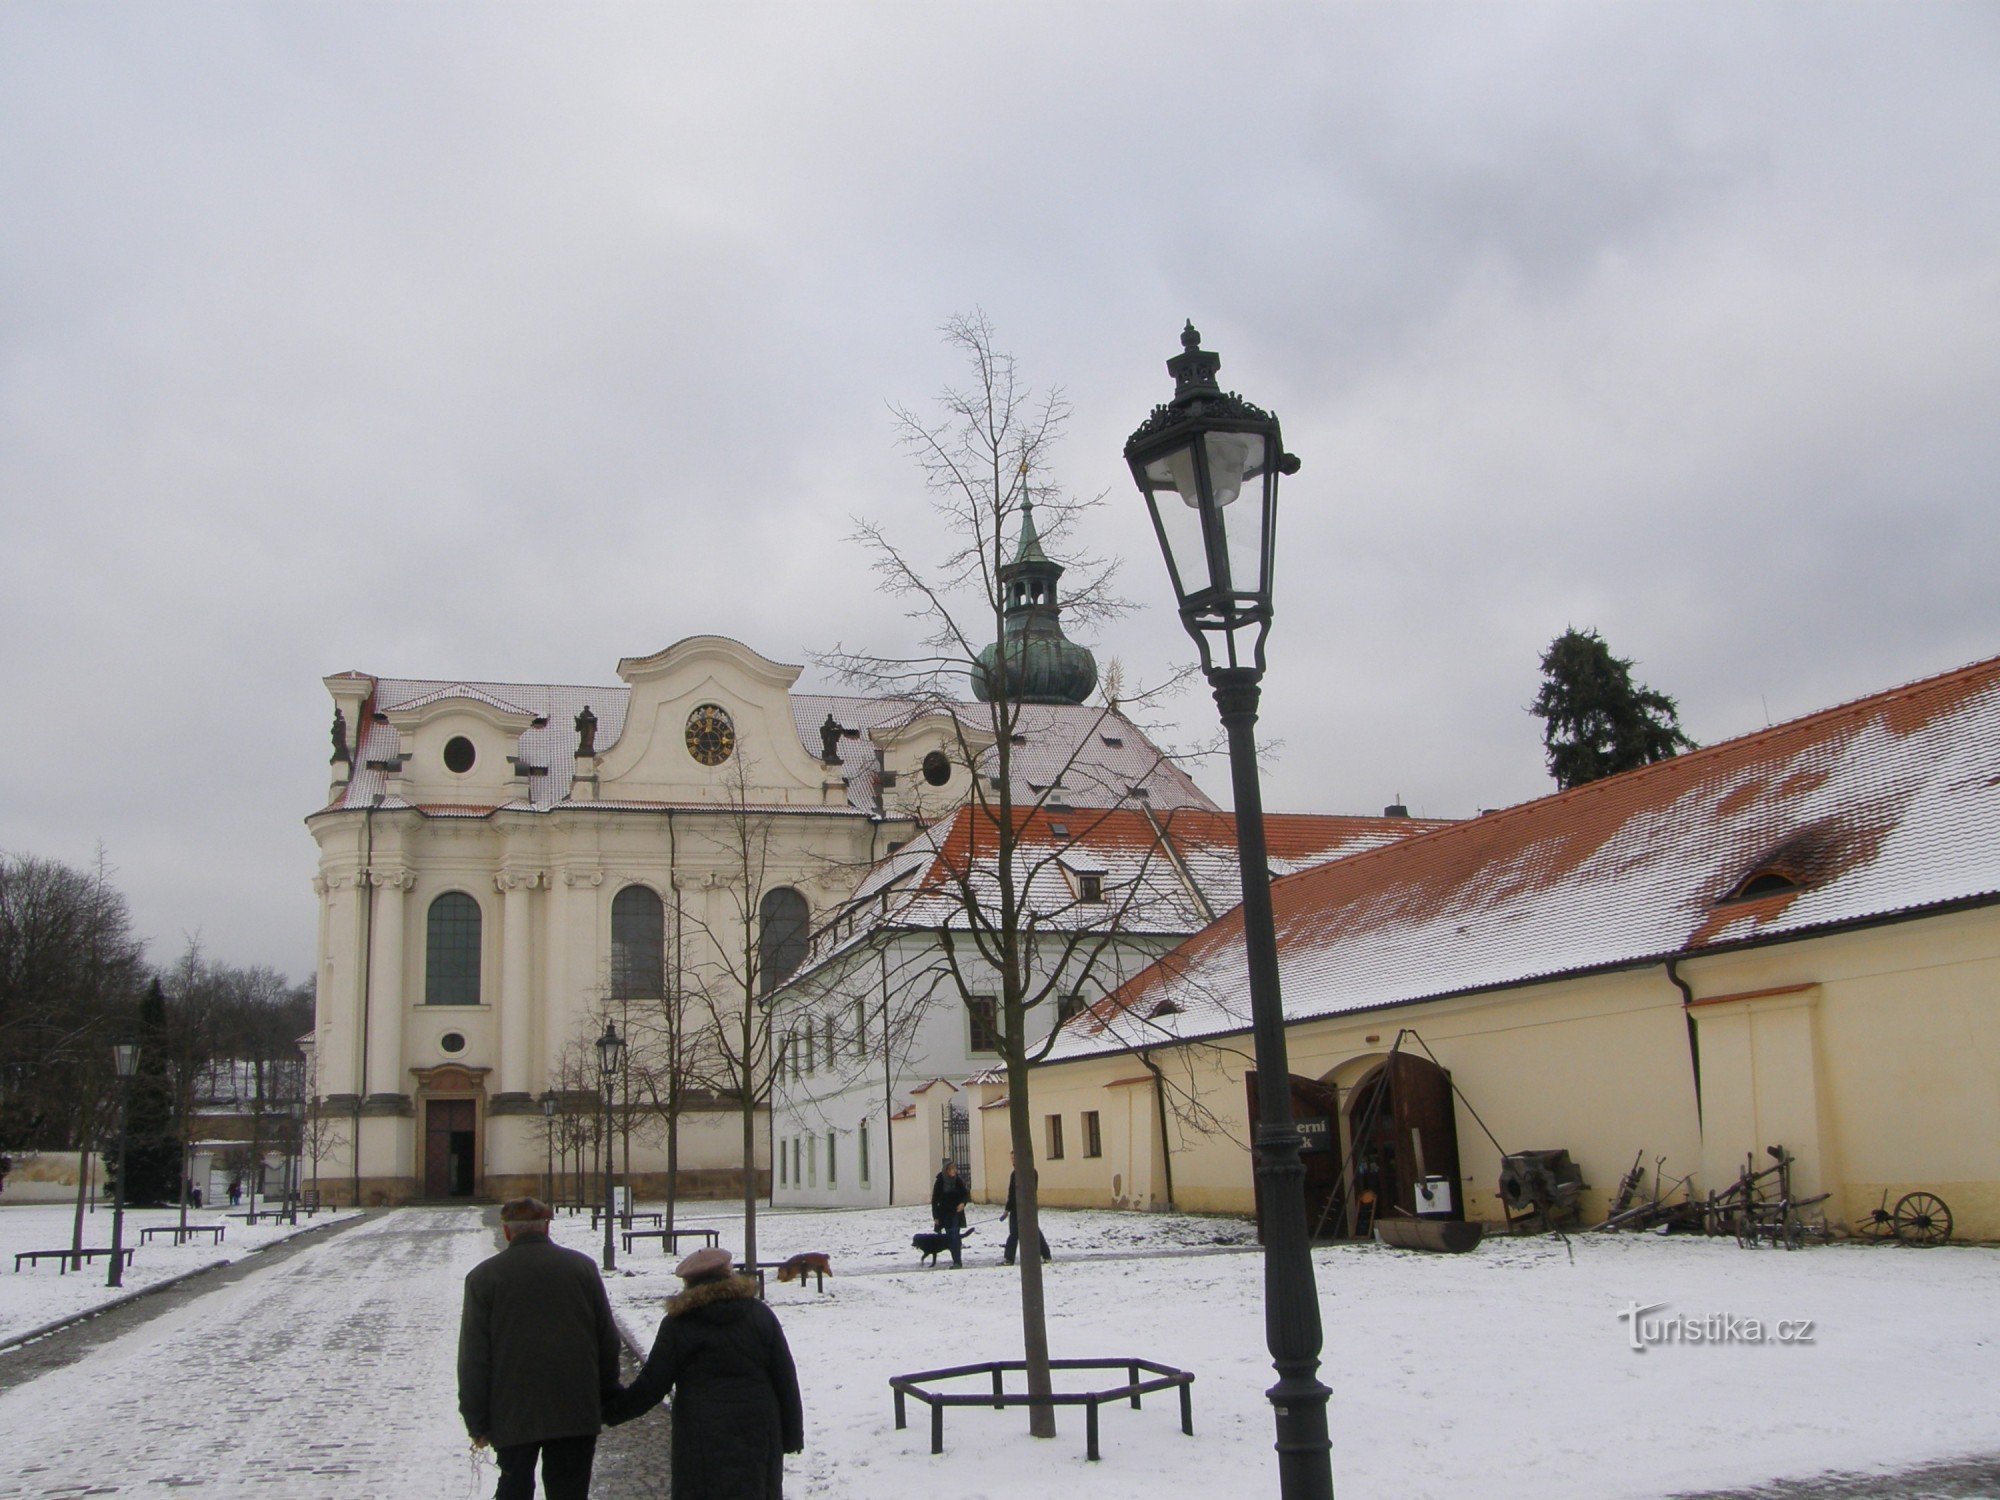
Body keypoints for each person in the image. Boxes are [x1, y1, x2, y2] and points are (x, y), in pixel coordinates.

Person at [606, 1247, 804, 1500]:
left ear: (688, 1281)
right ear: (728, 1272)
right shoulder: (759, 1314)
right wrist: (791, 1435)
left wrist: (610, 1411)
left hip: (700, 1433)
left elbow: (652, 1385)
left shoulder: (678, 1324)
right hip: (758, 1427)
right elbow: (784, 1376)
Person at [458, 1197, 622, 1500]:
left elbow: (474, 1357)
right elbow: (607, 1339)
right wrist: (606, 1395)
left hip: (511, 1411)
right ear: (547, 1228)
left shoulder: (484, 1278)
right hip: (575, 1407)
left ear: (507, 1232)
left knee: (513, 1489)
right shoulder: (582, 1268)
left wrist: (476, 1419)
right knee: (570, 1491)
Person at [1000, 1153, 1051, 1266]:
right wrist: (1007, 1209)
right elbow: (1011, 1193)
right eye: (1011, 1158)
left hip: (1027, 1208)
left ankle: (1046, 1254)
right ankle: (1009, 1258)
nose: (1013, 1161)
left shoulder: (1031, 1172)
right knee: (1014, 1233)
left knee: (1033, 1231)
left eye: (1014, 1158)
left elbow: (1030, 1191)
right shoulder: (1014, 1174)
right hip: (1015, 1209)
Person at [930, 1158, 970, 1269]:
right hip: (944, 1213)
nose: (954, 1171)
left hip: (956, 1212)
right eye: (952, 1169)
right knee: (950, 1237)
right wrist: (935, 1216)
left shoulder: (957, 1181)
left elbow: (965, 1194)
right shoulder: (940, 1181)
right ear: (946, 1170)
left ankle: (957, 1262)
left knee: (955, 1237)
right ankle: (955, 1259)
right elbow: (934, 1200)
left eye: (955, 1168)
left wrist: (963, 1203)